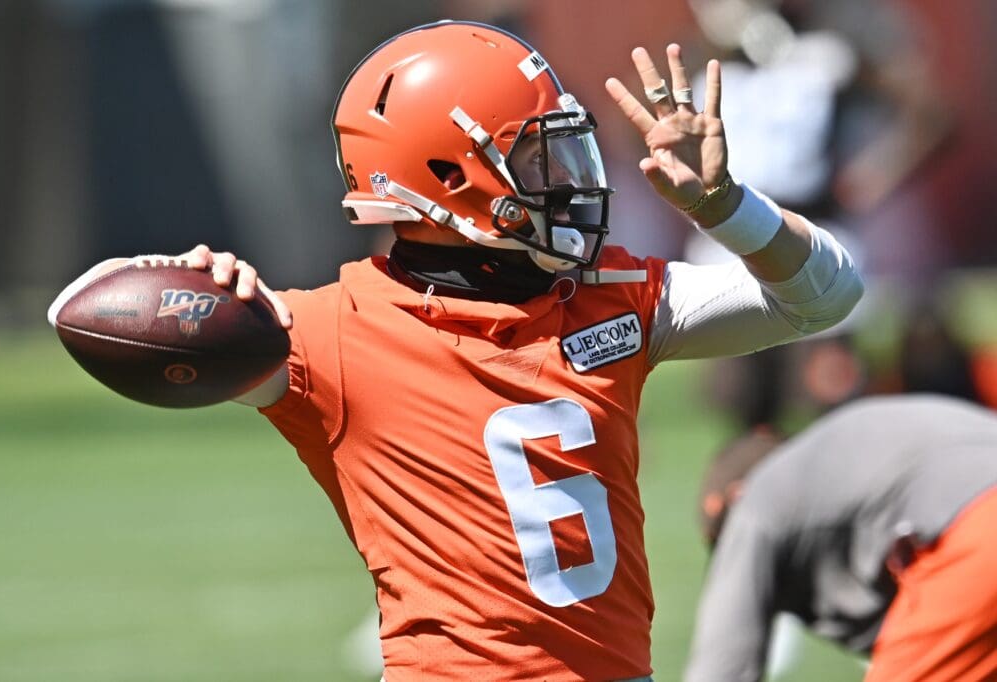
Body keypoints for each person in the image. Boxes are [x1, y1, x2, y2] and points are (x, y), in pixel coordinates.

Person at [49, 20, 862, 681]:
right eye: (539, 158)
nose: (570, 180)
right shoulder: (326, 337)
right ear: (449, 179)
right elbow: (81, 311)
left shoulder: (607, 296)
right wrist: (194, 282)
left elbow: (826, 295)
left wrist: (727, 208)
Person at [687, 394, 997, 682]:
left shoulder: (756, 502)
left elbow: (721, 671)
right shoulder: (844, 453)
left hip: (979, 529)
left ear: (734, 496)